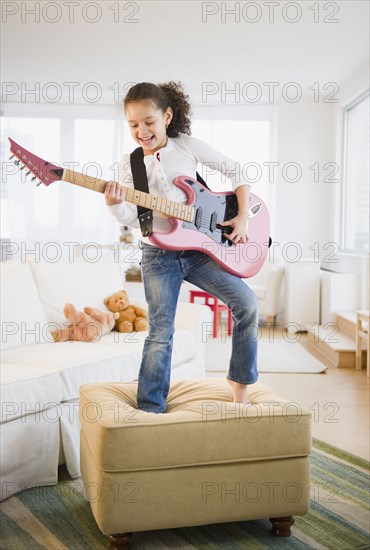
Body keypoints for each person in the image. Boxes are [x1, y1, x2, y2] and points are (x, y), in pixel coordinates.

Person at [105, 81, 259, 413]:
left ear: (167, 116)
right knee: (161, 333)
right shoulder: (129, 164)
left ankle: (240, 387)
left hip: (200, 251)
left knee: (247, 304)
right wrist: (114, 205)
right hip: (158, 255)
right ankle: (150, 408)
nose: (142, 131)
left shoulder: (186, 146)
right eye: (133, 125)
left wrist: (243, 216)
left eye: (149, 121)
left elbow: (237, 170)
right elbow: (133, 217)